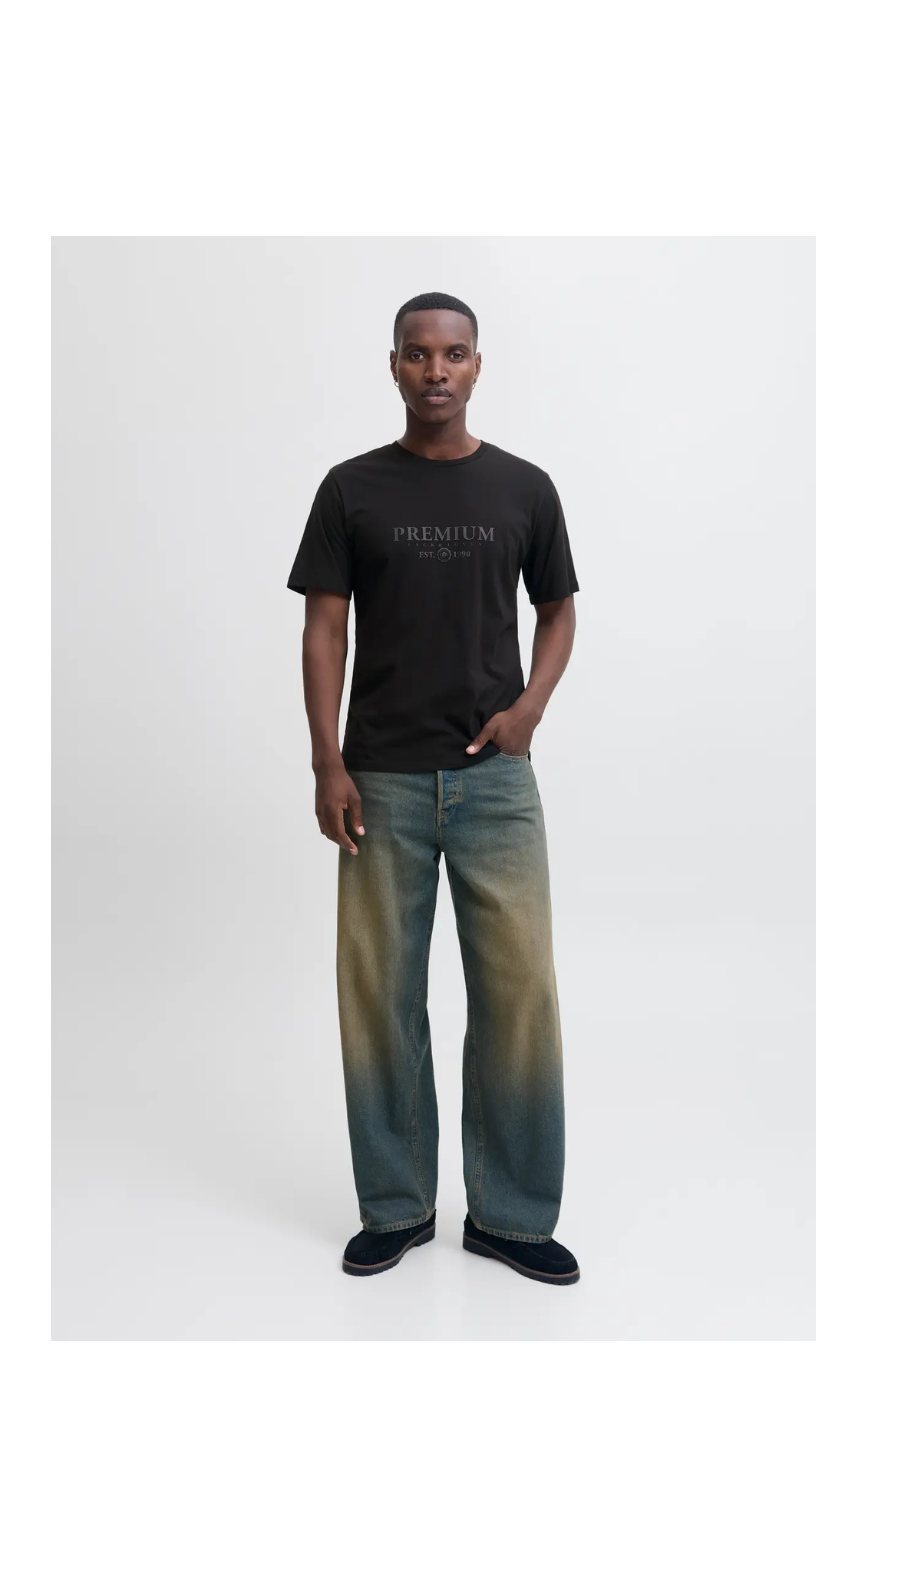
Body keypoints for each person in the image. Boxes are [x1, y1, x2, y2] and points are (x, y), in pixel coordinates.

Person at [286, 292, 581, 1285]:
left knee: (519, 995)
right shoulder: (350, 489)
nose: (436, 371)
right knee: (379, 998)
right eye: (417, 354)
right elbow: (323, 627)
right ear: (394, 366)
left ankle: (512, 1219)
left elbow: (558, 609)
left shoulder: (524, 488)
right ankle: (397, 1207)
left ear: (477, 365)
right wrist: (326, 760)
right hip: (380, 779)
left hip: (496, 782)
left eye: (453, 354)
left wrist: (529, 709)